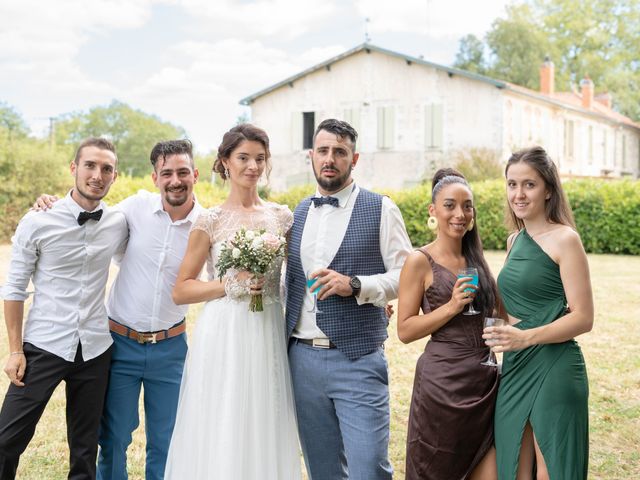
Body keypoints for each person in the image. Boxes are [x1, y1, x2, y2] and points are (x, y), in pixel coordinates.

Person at [33, 139, 202, 480]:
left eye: (183, 172)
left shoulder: (206, 225)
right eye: (166, 173)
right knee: (111, 438)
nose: (175, 180)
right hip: (119, 343)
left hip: (171, 349)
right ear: (155, 178)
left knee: (166, 441)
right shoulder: (134, 209)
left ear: (195, 175)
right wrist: (51, 202)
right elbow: (87, 212)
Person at [165, 124, 300, 479]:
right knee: (225, 413)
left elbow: (298, 277)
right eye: (243, 158)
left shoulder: (282, 217)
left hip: (268, 324)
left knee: (263, 413)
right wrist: (228, 284)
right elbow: (182, 289)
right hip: (225, 331)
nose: (252, 166)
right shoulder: (210, 220)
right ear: (225, 162)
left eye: (259, 158)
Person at [285, 118, 412, 479]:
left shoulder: (381, 208)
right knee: (322, 471)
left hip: (357, 358)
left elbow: (408, 276)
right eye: (323, 151)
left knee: (369, 469)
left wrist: (356, 285)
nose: (330, 158)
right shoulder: (298, 212)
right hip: (301, 359)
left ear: (354, 159)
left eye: (339, 152)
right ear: (311, 156)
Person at [0, 138, 128, 479]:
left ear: (114, 176)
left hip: (95, 349)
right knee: (6, 440)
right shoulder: (38, 221)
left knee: (85, 448)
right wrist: (15, 351)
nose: (97, 175)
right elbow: (13, 289)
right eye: (90, 166)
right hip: (44, 345)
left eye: (106, 169)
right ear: (74, 168)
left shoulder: (118, 221)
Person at [484, 146, 593, 479]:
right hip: (515, 368)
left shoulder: (565, 239)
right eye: (512, 184)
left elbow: (583, 317)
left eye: (529, 185)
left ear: (548, 189)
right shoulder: (513, 241)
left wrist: (524, 337)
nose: (519, 194)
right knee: (513, 466)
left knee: (551, 470)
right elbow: (512, 306)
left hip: (554, 368)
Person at [396, 168, 499, 480]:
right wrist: (453, 306)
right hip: (442, 387)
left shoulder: (477, 261)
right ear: (433, 211)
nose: (460, 214)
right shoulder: (419, 261)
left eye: (467, 206)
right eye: (450, 205)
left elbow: (502, 314)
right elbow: (405, 330)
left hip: (485, 382)